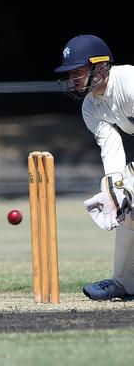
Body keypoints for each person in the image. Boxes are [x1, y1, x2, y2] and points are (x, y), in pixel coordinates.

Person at [55, 34, 134, 301]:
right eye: (69, 73)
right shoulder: (91, 107)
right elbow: (110, 148)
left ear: (100, 67)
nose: (73, 79)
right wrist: (115, 191)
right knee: (128, 210)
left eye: (77, 72)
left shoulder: (129, 82)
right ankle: (123, 285)